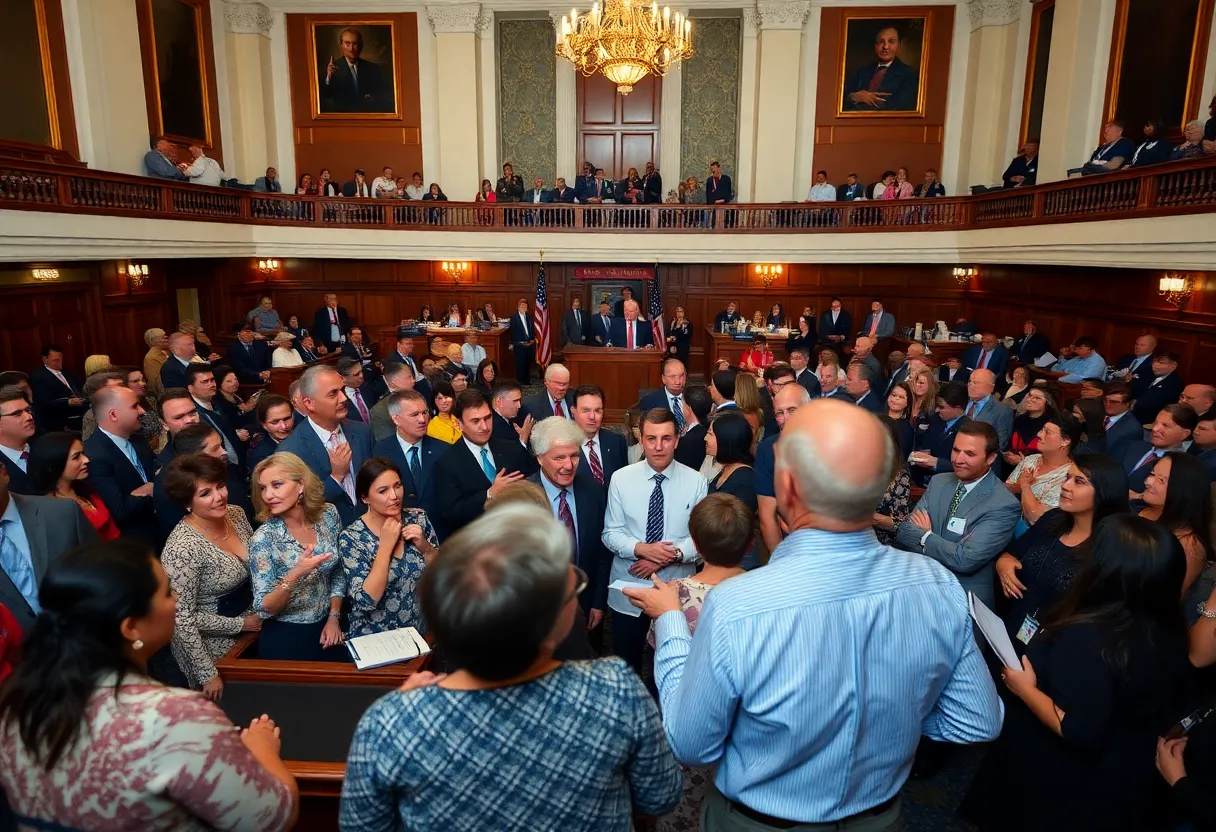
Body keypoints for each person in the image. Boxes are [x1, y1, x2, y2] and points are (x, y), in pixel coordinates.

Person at [626, 398, 1002, 829]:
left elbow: (691, 745)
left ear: (787, 489)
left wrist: (672, 621)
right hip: (880, 818)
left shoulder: (740, 604)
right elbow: (976, 719)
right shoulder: (936, 584)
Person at [341, 503, 682, 830]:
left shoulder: (389, 723)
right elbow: (660, 797)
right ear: (552, 628)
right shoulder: (616, 688)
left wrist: (408, 709)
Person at [0, 539, 299, 828]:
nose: (178, 600)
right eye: (168, 592)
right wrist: (262, 749)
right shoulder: (172, 717)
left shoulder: (16, 707)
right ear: (130, 627)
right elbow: (273, 818)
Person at [964, 515, 1191, 832]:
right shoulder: (1167, 627)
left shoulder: (1094, 636)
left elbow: (1078, 730)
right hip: (1121, 775)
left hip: (1058, 777)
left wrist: (1025, 689)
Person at [603, 408, 708, 672]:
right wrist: (643, 550)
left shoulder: (696, 481)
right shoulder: (621, 478)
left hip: (676, 592)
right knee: (626, 665)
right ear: (641, 439)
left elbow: (701, 538)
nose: (658, 447)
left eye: (666, 439)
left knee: (673, 665)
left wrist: (669, 556)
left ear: (677, 440)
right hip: (629, 587)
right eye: (651, 439)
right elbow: (610, 533)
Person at [997, 452, 1128, 639]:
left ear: (1105, 492)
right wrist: (1003, 563)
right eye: (1067, 478)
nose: (1065, 486)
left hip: (1058, 643)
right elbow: (1013, 552)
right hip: (1015, 624)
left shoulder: (1112, 547)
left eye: (1079, 481)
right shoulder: (1053, 519)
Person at [159, 454, 258, 696]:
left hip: (255, 629)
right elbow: (182, 620)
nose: (219, 496)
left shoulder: (235, 514)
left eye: (220, 486)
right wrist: (208, 674)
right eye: (206, 493)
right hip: (214, 650)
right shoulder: (182, 549)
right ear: (187, 503)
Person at [896, 421, 1022, 609]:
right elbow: (905, 532)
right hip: (920, 589)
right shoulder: (939, 481)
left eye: (970, 454)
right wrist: (951, 547)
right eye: (956, 450)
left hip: (962, 600)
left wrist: (925, 537)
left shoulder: (1004, 504)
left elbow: (965, 559)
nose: (958, 459)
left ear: (991, 458)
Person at [248, 452, 346, 661]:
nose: (268, 495)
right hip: (287, 638)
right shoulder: (264, 539)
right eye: (263, 488)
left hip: (328, 629)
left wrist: (334, 617)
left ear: (301, 485)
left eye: (277, 485)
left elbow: (338, 570)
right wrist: (296, 573)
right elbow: (265, 607)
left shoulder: (328, 515)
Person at [528, 416, 611, 631]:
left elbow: (601, 552)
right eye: (559, 458)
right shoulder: (522, 498)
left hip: (586, 610)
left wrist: (598, 602)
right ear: (539, 458)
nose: (568, 465)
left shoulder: (593, 491)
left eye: (574, 455)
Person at [338, 457, 438, 638]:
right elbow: (367, 600)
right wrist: (385, 547)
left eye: (397, 486)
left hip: (419, 635)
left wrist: (426, 547)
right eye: (383, 491)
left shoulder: (418, 518)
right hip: (376, 641)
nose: (394, 496)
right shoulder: (352, 538)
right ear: (365, 497)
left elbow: (442, 575)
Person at [432, 390, 534, 538]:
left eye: (487, 418)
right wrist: (489, 494)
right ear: (459, 424)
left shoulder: (511, 448)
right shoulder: (447, 463)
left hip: (515, 537)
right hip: (476, 543)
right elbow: (451, 513)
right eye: (475, 421)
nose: (485, 427)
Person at [83, 386, 157, 546]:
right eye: (134, 406)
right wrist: (154, 488)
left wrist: (149, 489)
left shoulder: (139, 440)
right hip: (134, 545)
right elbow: (119, 509)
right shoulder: (94, 455)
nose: (142, 411)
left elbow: (160, 475)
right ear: (114, 415)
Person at [1139, 451, 1212, 597]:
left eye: (1161, 480)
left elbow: (1168, 600)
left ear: (1182, 490)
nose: (1148, 481)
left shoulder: (1188, 545)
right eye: (1152, 474)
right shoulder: (1146, 513)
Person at [27, 431, 119, 541]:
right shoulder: (51, 509)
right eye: (76, 457)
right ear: (54, 464)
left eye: (83, 453)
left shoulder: (86, 489)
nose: (86, 460)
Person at [1006, 411, 1083, 532]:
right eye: (1042, 429)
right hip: (1007, 523)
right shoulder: (1031, 460)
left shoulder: (1069, 477)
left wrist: (1026, 486)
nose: (1039, 434)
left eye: (1047, 432)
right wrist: (1019, 485)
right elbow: (1006, 489)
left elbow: (1036, 517)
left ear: (1065, 441)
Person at [704, 411, 759, 569]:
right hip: (720, 557)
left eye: (710, 434)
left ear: (726, 439)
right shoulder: (725, 469)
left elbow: (737, 531)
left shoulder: (744, 479)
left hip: (738, 563)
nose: (705, 439)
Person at [1123, 403, 1197, 501]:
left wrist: (1138, 497)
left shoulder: (1181, 467)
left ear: (1184, 434)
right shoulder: (1134, 446)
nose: (1155, 429)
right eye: (1155, 423)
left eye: (1165, 425)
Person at [842, 22, 919, 111]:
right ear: (875, 47)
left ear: (899, 45)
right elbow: (842, 101)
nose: (885, 47)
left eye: (891, 41)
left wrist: (868, 100)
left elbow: (903, 107)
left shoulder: (909, 74)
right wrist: (853, 97)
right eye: (881, 42)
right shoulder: (862, 72)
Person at [321, 27, 389, 113]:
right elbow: (325, 97)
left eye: (355, 44)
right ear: (341, 46)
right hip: (343, 119)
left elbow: (384, 94)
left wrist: (373, 97)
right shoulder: (332, 69)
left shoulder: (373, 69)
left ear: (361, 46)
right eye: (347, 43)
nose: (351, 48)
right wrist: (328, 78)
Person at [1131, 351, 1185, 423]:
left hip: (1149, 422)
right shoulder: (1148, 375)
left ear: (1173, 365)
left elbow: (1151, 404)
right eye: (1154, 361)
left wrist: (1133, 403)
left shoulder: (1174, 384)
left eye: (1161, 363)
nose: (1155, 365)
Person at [247, 393, 294, 474]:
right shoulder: (261, 456)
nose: (284, 426)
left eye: (287, 418)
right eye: (275, 422)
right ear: (264, 425)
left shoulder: (305, 436)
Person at [1069, 121, 1136, 176]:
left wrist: (1095, 165)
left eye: (1109, 130)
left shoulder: (1124, 144)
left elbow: (1113, 165)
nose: (1105, 134)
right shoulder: (1102, 147)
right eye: (1105, 131)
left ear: (1120, 132)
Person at [426, 379, 462, 444]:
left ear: (453, 398)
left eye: (446, 396)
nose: (444, 401)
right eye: (439, 398)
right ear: (434, 401)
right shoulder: (433, 425)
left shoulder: (461, 418)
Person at [509, 297, 536, 384]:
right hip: (519, 344)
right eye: (522, 306)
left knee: (528, 363)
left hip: (529, 344)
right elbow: (512, 332)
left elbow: (531, 329)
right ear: (518, 307)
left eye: (525, 306)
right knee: (520, 364)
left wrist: (532, 340)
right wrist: (515, 343)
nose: (524, 307)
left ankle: (527, 381)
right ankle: (520, 382)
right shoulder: (514, 318)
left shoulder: (528, 317)